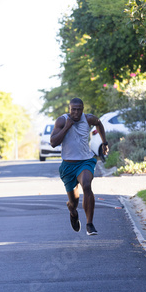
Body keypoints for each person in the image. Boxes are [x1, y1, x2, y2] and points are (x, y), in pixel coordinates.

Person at [50, 98, 108, 235]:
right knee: (73, 202)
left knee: (87, 185)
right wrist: (66, 127)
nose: (76, 112)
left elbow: (99, 123)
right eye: (73, 110)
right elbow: (53, 142)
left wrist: (104, 142)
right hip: (68, 166)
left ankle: (89, 224)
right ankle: (72, 211)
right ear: (69, 109)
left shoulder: (88, 119)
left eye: (79, 109)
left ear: (83, 109)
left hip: (85, 161)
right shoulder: (62, 121)